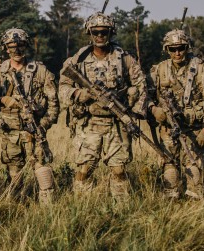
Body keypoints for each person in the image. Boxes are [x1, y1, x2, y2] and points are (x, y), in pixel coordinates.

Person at [59, 11, 148, 201]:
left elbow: (141, 85)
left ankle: (122, 209)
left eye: (104, 32)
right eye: (96, 32)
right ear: (89, 33)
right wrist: (79, 94)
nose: (100, 36)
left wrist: (135, 112)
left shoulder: (125, 59)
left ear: (110, 33)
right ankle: (82, 208)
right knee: (84, 169)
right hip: (88, 123)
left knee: (119, 169)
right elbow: (63, 88)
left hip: (116, 123)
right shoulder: (78, 60)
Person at [148, 29, 204, 199]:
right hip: (168, 129)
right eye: (173, 49)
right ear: (167, 49)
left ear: (187, 47)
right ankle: (172, 207)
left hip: (195, 128)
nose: (177, 52)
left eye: (181, 48)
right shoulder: (159, 70)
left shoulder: (200, 68)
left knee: (194, 169)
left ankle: (195, 211)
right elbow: (146, 96)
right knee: (169, 168)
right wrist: (153, 109)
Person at [0, 28, 59, 204]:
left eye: (20, 45)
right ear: (6, 48)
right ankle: (15, 214)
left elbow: (54, 105)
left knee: (44, 175)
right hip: (10, 135)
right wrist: (3, 102)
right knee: (14, 179)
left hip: (36, 132)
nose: (16, 50)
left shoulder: (41, 71)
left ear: (26, 46)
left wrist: (43, 125)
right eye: (12, 46)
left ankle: (49, 214)